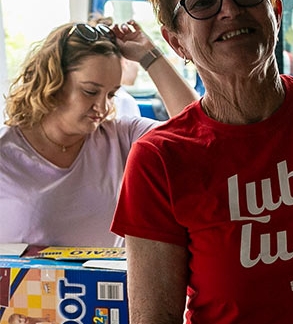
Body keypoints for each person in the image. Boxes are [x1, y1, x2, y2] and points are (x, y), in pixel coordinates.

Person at [110, 0, 293, 323]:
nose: (230, 10)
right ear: (177, 43)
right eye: (203, 2)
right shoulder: (160, 160)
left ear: (275, 11)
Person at [0, 20, 198, 247]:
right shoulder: (5, 154)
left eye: (111, 94)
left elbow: (195, 128)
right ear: (53, 81)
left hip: (110, 282)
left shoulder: (121, 137)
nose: (102, 108)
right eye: (90, 91)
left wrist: (148, 55)